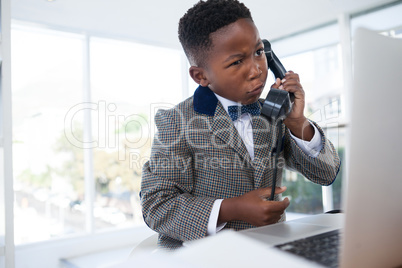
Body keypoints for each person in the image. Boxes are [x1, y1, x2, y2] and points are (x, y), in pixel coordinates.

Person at [140, 0, 340, 250]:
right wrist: (231, 209)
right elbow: (156, 206)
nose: (257, 70)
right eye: (236, 62)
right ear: (200, 75)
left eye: (258, 52)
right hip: (202, 256)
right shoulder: (177, 122)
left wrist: (297, 122)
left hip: (271, 249)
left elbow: (326, 174)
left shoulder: (276, 113)